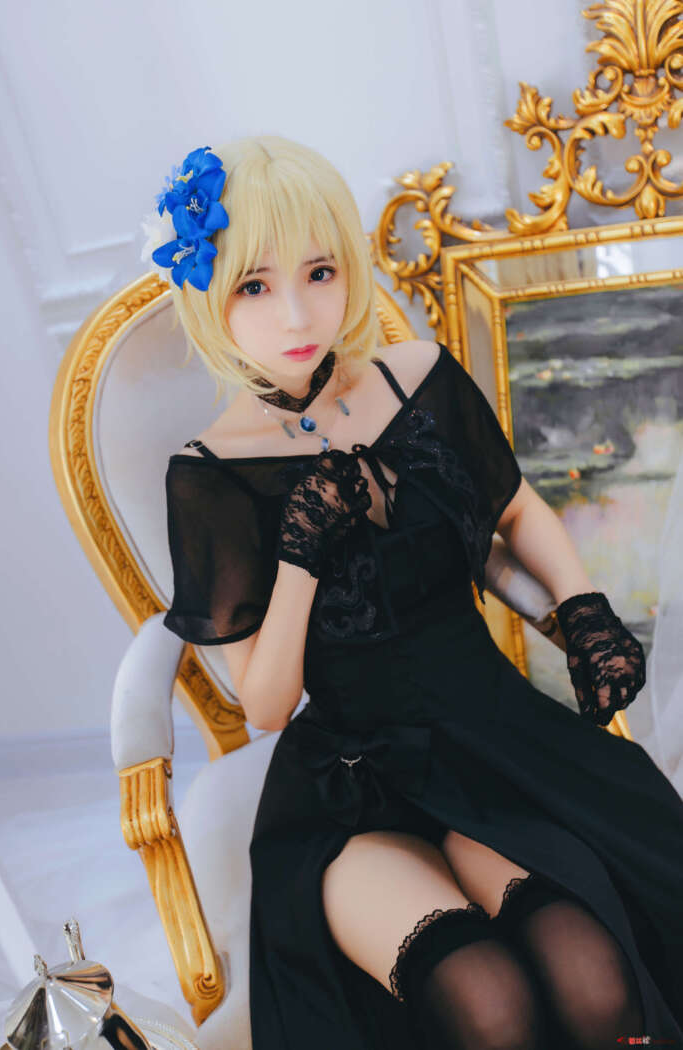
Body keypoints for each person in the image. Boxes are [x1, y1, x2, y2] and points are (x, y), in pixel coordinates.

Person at [150, 135, 683, 1049]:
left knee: (593, 977)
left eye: (320, 272)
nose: (296, 313)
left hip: (494, 741)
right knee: (489, 1002)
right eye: (254, 287)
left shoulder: (420, 377)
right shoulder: (210, 475)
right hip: (351, 786)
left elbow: (515, 513)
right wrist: (301, 555)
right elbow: (265, 705)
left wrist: (582, 612)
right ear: (208, 295)